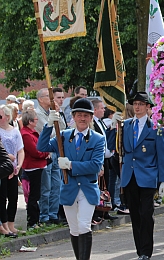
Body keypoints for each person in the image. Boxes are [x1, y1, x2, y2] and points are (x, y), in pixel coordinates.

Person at [37, 98, 105, 260]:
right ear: (73, 117)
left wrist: (70, 165)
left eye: (86, 116)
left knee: (83, 225)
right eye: (79, 115)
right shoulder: (64, 136)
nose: (82, 118)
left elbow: (96, 165)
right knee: (74, 229)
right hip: (69, 188)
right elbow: (41, 147)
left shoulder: (97, 138)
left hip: (87, 188)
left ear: (91, 118)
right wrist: (48, 125)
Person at [121, 92, 164, 260]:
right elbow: (122, 150)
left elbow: (162, 155)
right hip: (130, 176)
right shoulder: (125, 125)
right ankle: (139, 250)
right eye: (135, 104)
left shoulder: (155, 127)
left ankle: (146, 251)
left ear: (148, 107)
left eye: (141, 104)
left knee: (146, 214)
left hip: (148, 176)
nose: (137, 107)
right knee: (135, 214)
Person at [35, 88, 66, 225]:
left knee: (56, 184)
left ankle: (53, 214)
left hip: (55, 153)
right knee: (46, 187)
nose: (52, 99)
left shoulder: (51, 112)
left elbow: (63, 129)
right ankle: (44, 215)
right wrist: (52, 125)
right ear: (41, 99)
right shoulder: (37, 113)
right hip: (45, 153)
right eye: (48, 96)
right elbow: (49, 133)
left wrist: (58, 114)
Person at [21, 109, 50, 229]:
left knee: (36, 194)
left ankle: (35, 219)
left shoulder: (31, 132)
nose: (37, 121)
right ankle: (32, 221)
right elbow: (35, 151)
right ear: (30, 121)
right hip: (33, 166)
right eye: (36, 120)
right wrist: (45, 153)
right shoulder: (26, 134)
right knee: (34, 195)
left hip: (38, 165)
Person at [91, 99, 117, 223]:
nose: (104, 110)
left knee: (105, 185)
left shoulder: (100, 122)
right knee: (98, 186)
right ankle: (96, 212)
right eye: (101, 108)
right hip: (99, 159)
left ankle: (104, 211)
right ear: (95, 110)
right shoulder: (92, 123)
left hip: (106, 158)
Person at [0, 104, 25, 237]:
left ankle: (11, 224)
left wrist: (19, 166)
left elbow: (20, 150)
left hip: (14, 169)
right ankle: (4, 225)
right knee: (2, 197)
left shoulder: (15, 130)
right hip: (3, 168)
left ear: (7, 116)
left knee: (14, 197)